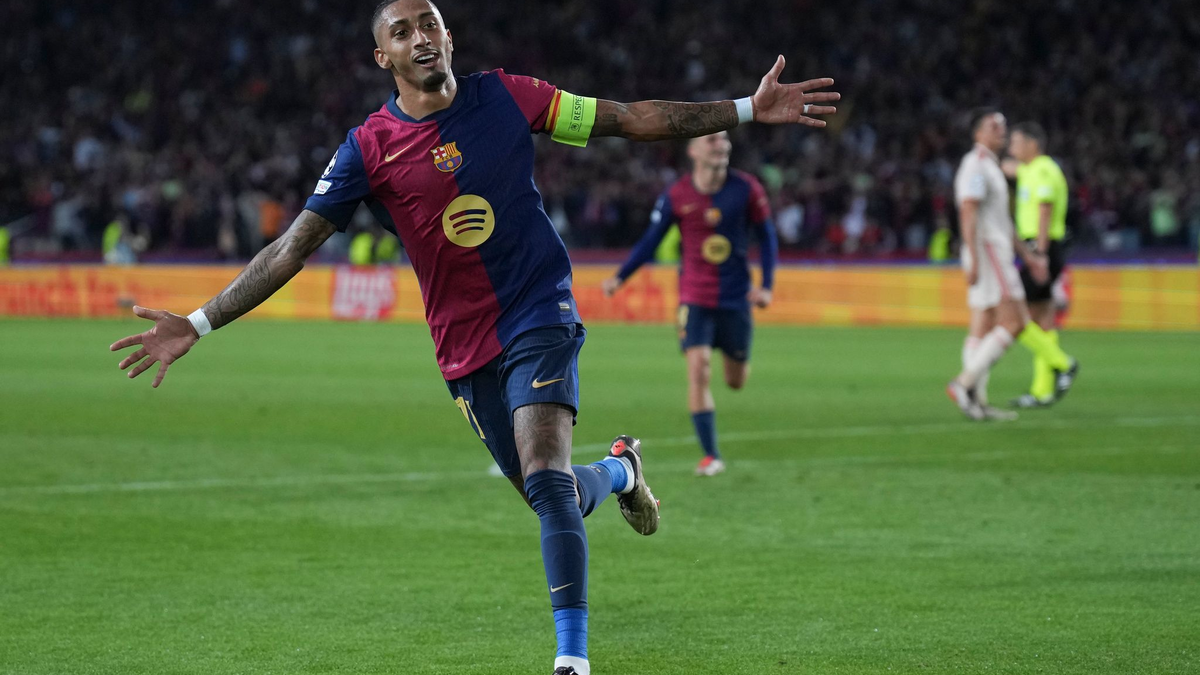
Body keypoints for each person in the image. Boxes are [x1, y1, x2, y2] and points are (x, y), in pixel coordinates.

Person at [107, 1, 840, 673]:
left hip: (540, 308)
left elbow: (629, 118)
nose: (420, 37)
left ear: (449, 36)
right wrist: (199, 321)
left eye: (429, 22)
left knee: (546, 476)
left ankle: (572, 658)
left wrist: (745, 108)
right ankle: (621, 472)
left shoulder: (512, 97)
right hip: (463, 346)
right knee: (551, 494)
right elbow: (289, 249)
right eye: (402, 32)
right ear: (383, 58)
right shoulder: (368, 148)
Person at [602, 132, 777, 476]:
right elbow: (651, 241)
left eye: (724, 139)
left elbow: (767, 238)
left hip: (736, 299)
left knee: (736, 380)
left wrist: (767, 286)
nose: (721, 144)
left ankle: (734, 364)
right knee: (698, 370)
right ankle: (711, 455)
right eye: (712, 139)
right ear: (694, 150)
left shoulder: (747, 189)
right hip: (694, 298)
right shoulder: (677, 194)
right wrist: (620, 277)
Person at [946, 109, 1078, 421]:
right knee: (1016, 321)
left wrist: (1030, 256)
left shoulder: (991, 165)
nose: (1002, 132)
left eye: (1003, 127)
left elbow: (1002, 219)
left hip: (994, 249)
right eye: (994, 127)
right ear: (978, 133)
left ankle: (975, 401)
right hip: (990, 252)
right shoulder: (977, 165)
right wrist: (973, 256)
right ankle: (965, 383)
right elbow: (968, 209)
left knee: (983, 323)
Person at [1003, 122, 1071, 408]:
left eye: (1016, 142)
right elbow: (1008, 168)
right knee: (1043, 320)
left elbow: (1045, 211)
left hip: (1042, 248)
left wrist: (1040, 255)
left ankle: (1063, 363)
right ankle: (1042, 391)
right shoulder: (1030, 169)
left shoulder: (1044, 170)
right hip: (1038, 248)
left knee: (1015, 317)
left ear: (1033, 144)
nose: (1011, 147)